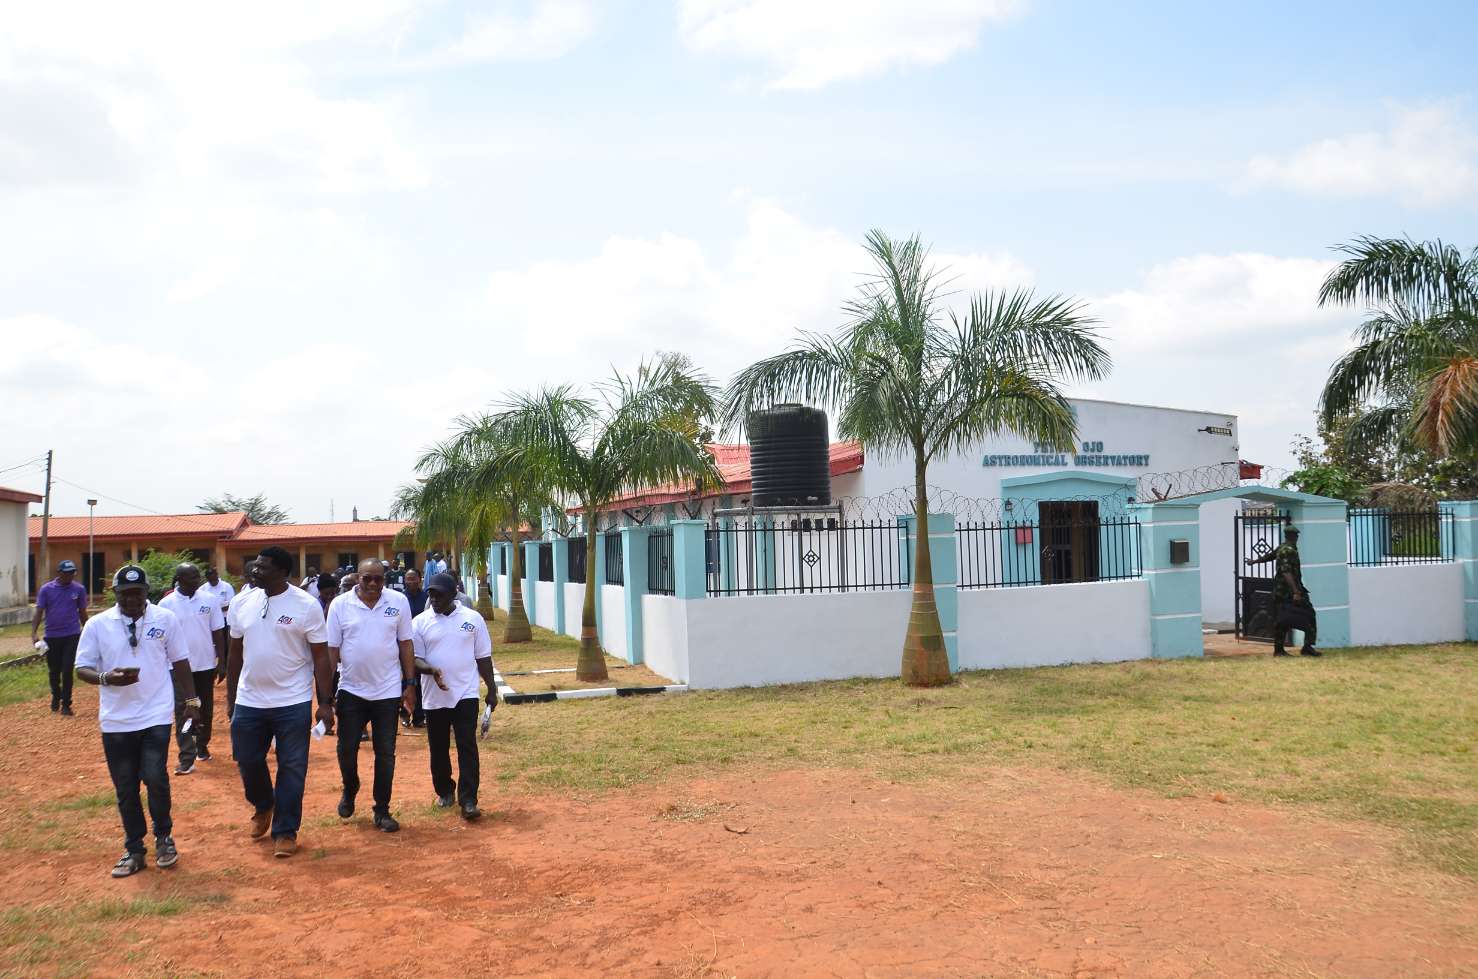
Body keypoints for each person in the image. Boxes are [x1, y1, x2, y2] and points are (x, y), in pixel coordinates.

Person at [74, 565, 201, 877]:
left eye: (138, 593)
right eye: (125, 594)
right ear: (115, 594)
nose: (132, 599)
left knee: (155, 777)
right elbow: (82, 667)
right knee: (126, 786)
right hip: (116, 720)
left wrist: (192, 701)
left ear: (147, 593)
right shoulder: (97, 625)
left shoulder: (165, 619)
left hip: (155, 713)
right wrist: (106, 678)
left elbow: (180, 661)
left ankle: (164, 838)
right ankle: (134, 849)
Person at [226, 546, 334, 858]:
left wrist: (325, 702)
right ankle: (263, 804)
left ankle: (285, 831)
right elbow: (234, 653)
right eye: (255, 566)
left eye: (263, 567)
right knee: (247, 759)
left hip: (292, 700)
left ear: (283, 572)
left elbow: (320, 657)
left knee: (292, 766)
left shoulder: (306, 605)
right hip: (250, 699)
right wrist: (232, 699)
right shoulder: (241, 602)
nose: (255, 571)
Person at [325, 559, 415, 832]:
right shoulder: (340, 605)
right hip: (351, 690)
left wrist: (410, 683)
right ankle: (350, 787)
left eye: (379, 578)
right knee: (346, 748)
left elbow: (405, 643)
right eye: (367, 578)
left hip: (387, 691)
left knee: (385, 753)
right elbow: (332, 650)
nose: (373, 583)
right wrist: (326, 693)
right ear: (358, 578)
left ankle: (382, 810)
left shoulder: (398, 602)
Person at [412, 572, 496, 820]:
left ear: (453, 594)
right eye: (431, 594)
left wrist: (492, 690)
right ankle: (445, 791)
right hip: (434, 697)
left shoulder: (473, 619)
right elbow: (415, 658)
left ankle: (468, 800)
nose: (434, 599)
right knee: (438, 748)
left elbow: (483, 657)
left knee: (466, 746)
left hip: (465, 694)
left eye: (439, 595)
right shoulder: (420, 622)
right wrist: (431, 670)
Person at [159, 564, 226, 773]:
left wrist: (222, 661)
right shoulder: (166, 604)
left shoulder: (210, 600)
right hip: (177, 668)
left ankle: (202, 746)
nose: (197, 580)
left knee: (205, 709)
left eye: (197, 576)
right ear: (179, 579)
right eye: (191, 577)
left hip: (205, 664)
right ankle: (186, 756)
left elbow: (218, 632)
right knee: (184, 709)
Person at [1245, 525, 1319, 657]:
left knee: (1282, 620)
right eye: (1296, 536)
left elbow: (1269, 556)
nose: (1297, 538)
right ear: (1294, 536)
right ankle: (1306, 647)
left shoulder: (1282, 548)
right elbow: (1286, 572)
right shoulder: (1288, 550)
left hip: (1282, 591)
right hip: (1288, 592)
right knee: (1309, 614)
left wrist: (1254, 562)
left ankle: (1280, 650)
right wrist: (1296, 592)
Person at [32, 559, 89, 715]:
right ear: (59, 573)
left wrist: (89, 631)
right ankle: (56, 696)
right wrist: (34, 633)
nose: (69, 576)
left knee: (67, 669)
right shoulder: (46, 590)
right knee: (54, 671)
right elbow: (39, 612)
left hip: (72, 635)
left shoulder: (79, 589)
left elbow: (82, 613)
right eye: (66, 573)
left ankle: (66, 704)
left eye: (72, 573)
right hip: (52, 636)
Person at [399, 569, 429, 728]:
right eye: (408, 579)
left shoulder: (426, 598)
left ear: (420, 579)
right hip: (404, 645)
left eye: (413, 578)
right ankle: (404, 714)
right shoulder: (400, 599)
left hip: (421, 645)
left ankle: (419, 716)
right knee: (406, 681)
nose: (410, 582)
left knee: (420, 681)